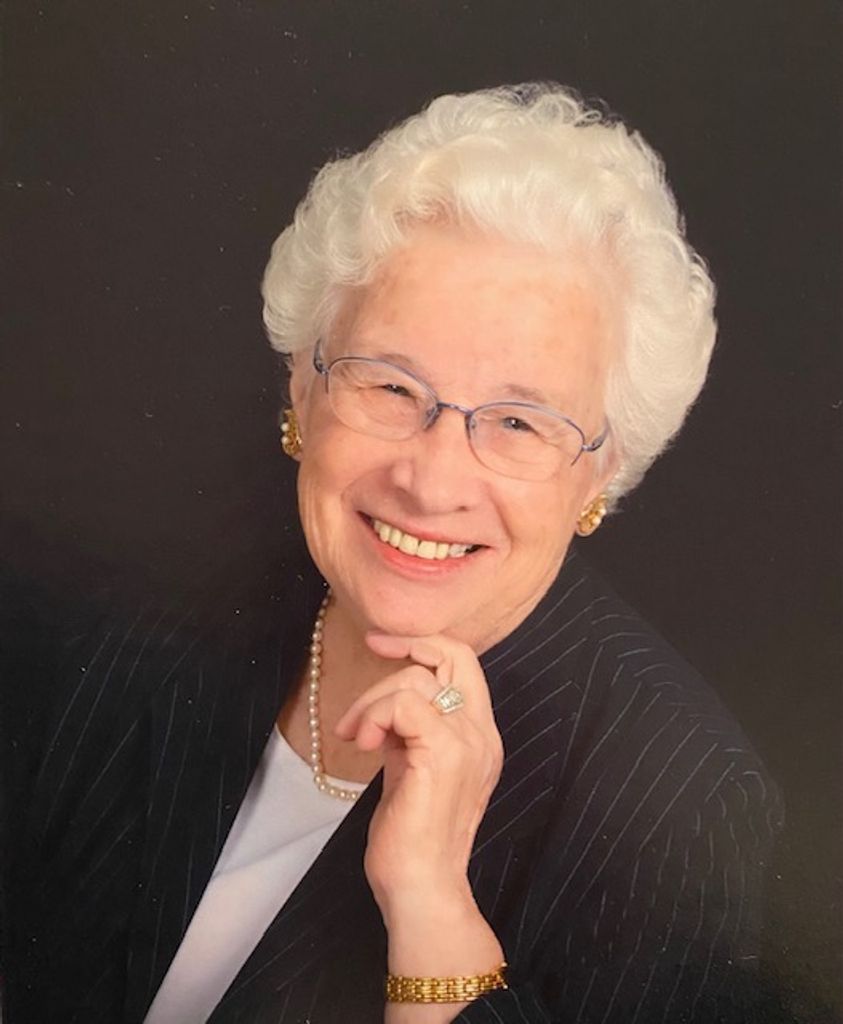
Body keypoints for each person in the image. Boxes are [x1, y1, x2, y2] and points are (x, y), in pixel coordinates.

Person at [3, 83, 782, 1023]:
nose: (432, 478)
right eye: (390, 386)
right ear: (303, 388)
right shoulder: (151, 610)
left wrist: (431, 904)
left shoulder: (679, 802)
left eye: (518, 422)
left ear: (601, 474)